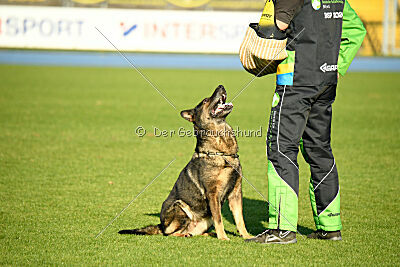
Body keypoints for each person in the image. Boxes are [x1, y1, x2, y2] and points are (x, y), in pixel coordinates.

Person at [245, 0, 366, 244]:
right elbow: (356, 31)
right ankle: (330, 226)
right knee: (319, 149)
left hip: (295, 80)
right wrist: (336, 67)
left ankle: (282, 229)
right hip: (326, 81)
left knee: (281, 147)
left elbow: (275, 29)